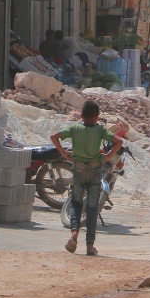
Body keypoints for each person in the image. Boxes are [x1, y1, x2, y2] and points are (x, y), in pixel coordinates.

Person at [52, 100, 124, 256]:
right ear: (97, 116)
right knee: (92, 210)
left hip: (78, 170)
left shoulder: (75, 128)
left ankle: (74, 234)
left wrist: (64, 154)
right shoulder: (100, 130)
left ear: (82, 116)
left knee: (76, 204)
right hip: (95, 171)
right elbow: (119, 141)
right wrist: (108, 157)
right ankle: (90, 247)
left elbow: (54, 137)